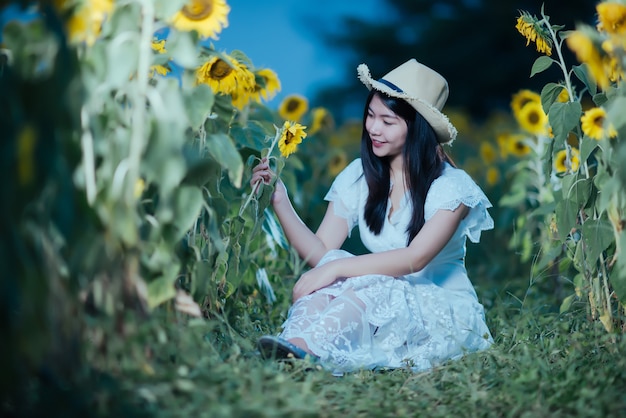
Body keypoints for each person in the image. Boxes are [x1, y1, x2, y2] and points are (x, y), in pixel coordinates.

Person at [251, 58, 494, 373]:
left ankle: (308, 350)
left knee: (363, 277)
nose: (373, 129)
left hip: (442, 312)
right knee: (338, 267)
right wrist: (280, 200)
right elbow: (321, 254)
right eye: (370, 115)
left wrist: (338, 268)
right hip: (380, 302)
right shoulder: (359, 175)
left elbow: (413, 259)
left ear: (416, 127)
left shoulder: (453, 187)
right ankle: (295, 346)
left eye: (388, 121)